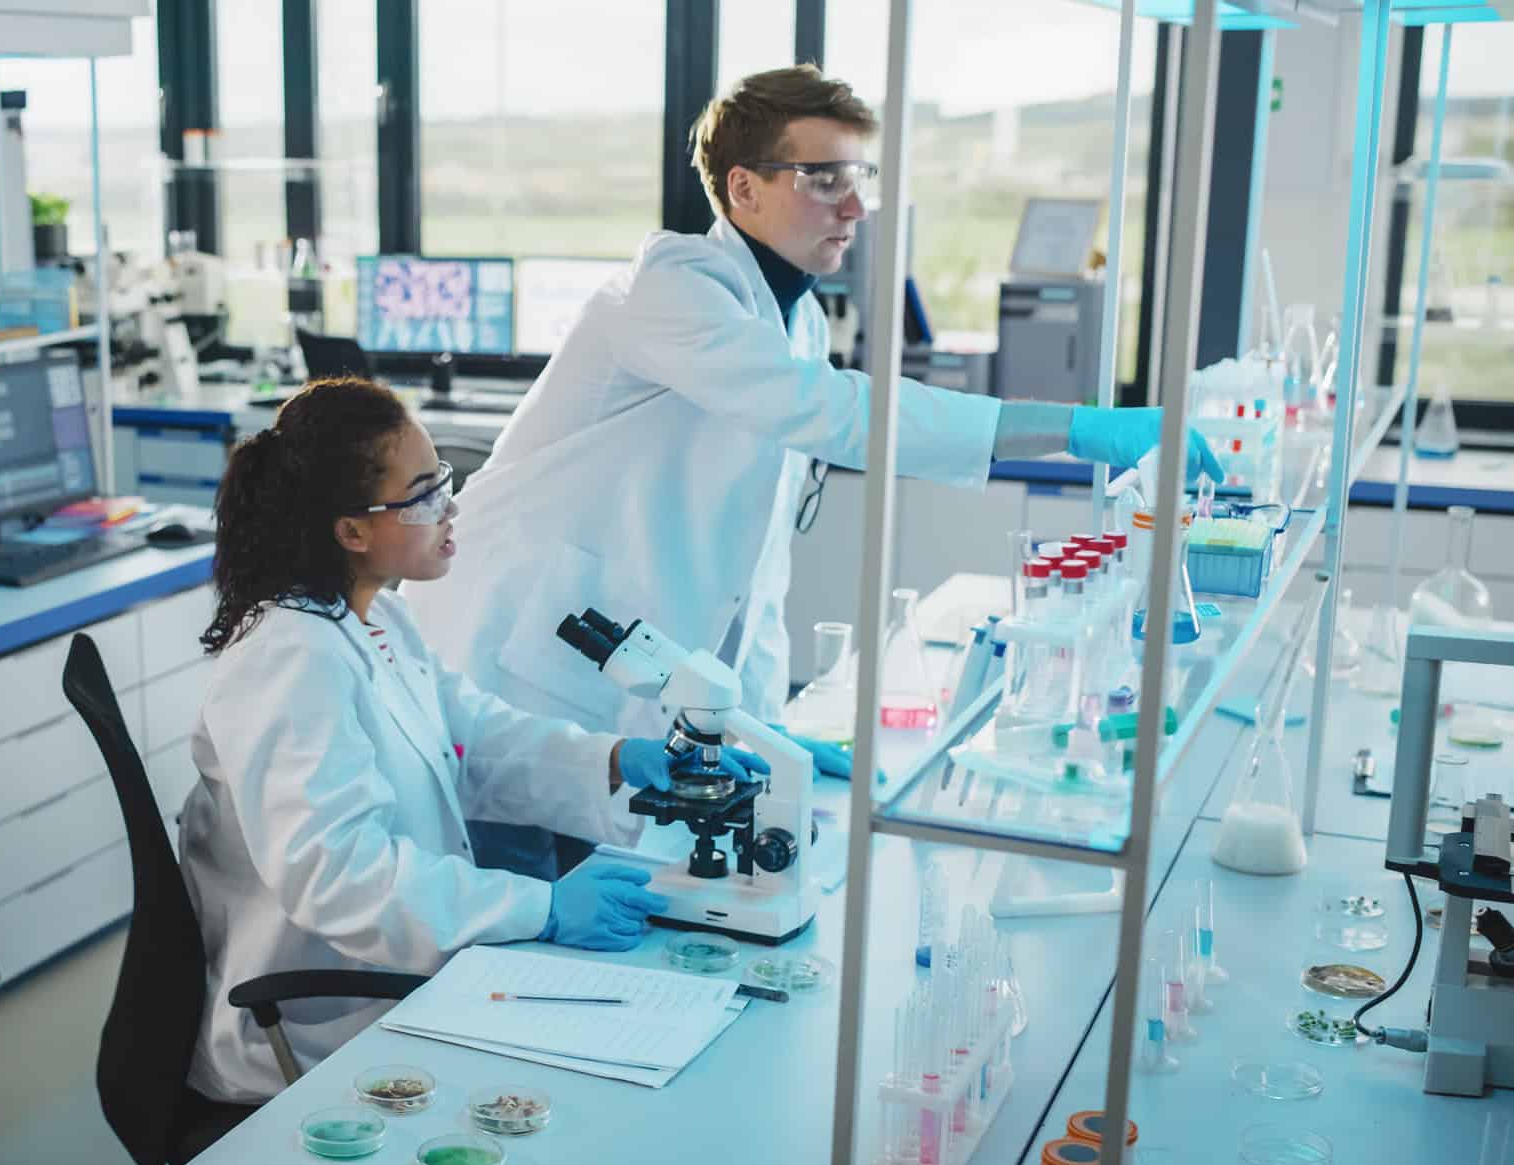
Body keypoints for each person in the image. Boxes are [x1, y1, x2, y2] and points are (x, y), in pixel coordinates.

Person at [402, 64, 1221, 879]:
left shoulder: (793, 322)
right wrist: (1074, 428)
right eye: (822, 178)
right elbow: (840, 412)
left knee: (598, 910)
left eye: (858, 177)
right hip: (516, 662)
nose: (855, 206)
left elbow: (755, 571)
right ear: (743, 188)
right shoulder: (671, 288)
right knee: (513, 933)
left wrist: (757, 724)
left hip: (609, 680)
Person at [178, 378, 765, 1104]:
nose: (449, 507)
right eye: (422, 494)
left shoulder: (375, 621)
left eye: (444, 480)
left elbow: (477, 740)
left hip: (401, 973)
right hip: (320, 1024)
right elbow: (340, 880)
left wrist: (616, 762)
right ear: (351, 530)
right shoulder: (289, 659)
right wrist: (539, 907)